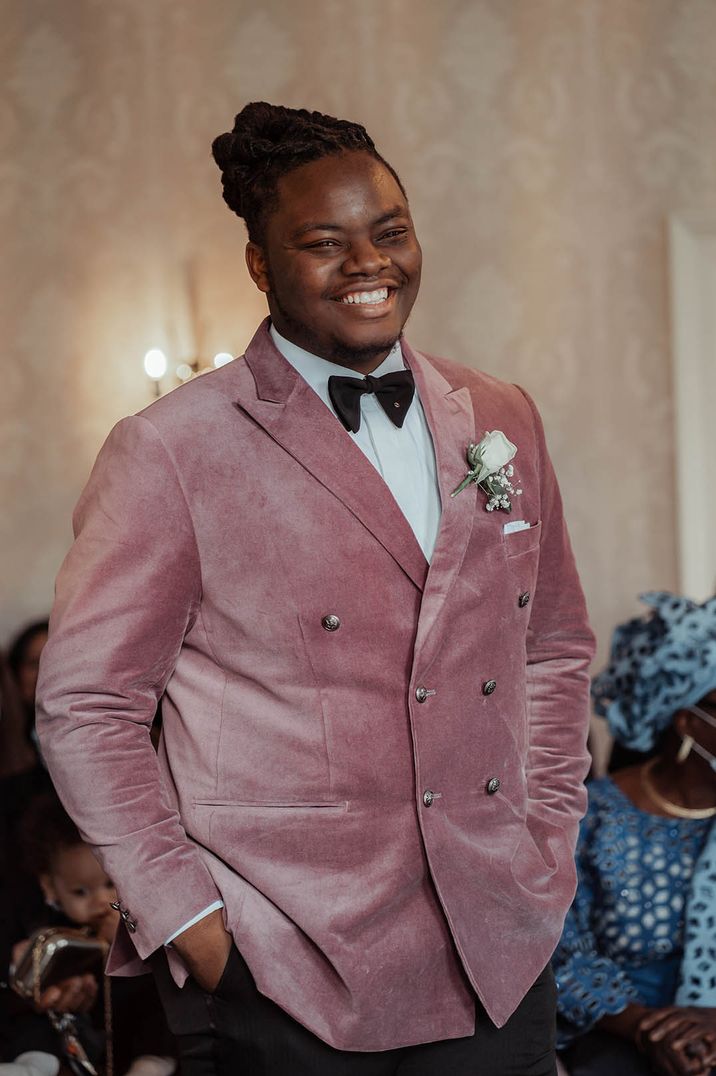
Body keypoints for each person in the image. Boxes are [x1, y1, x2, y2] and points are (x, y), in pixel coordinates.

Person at [35, 102, 595, 1075]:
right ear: (259, 263)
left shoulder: (500, 417)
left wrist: (543, 843)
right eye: (322, 243)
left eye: (388, 232)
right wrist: (190, 918)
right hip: (286, 967)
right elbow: (86, 703)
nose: (368, 264)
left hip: (496, 947)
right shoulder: (171, 450)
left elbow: (549, 644)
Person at [553, 592, 716, 1076]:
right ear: (689, 721)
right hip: (623, 1032)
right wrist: (650, 1029)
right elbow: (560, 951)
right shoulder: (590, 817)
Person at [4, 795, 176, 1076]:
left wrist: (125, 941)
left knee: (162, 1008)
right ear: (50, 887)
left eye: (111, 883)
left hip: (139, 1026)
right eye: (80, 892)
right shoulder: (55, 928)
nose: (100, 901)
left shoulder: (140, 919)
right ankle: (33, 1063)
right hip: (81, 1032)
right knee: (33, 1016)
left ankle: (152, 1064)